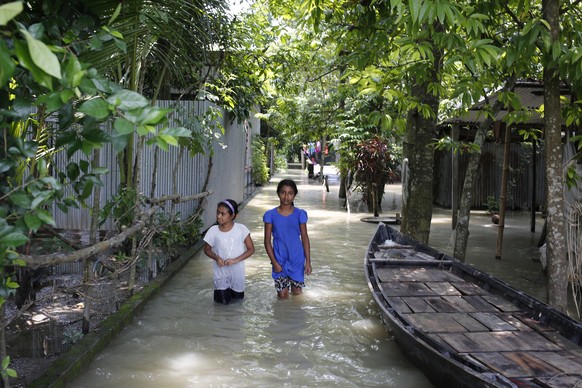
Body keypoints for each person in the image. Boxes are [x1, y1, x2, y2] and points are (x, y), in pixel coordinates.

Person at [263, 179, 312, 298]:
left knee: (297, 294)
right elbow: (267, 241)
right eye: (283, 192)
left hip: (297, 259)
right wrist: (274, 262)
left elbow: (305, 238)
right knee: (282, 296)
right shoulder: (270, 215)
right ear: (278, 193)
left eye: (290, 193)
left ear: (294, 195)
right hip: (279, 258)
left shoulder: (300, 214)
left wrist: (308, 262)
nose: (286, 196)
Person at [204, 199, 255, 304]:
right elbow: (207, 250)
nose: (218, 216)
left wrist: (236, 260)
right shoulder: (213, 231)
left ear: (233, 216)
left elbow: (251, 249)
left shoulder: (241, 229)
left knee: (237, 304)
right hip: (220, 274)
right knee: (221, 305)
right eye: (218, 212)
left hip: (237, 274)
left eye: (223, 214)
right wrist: (217, 258)